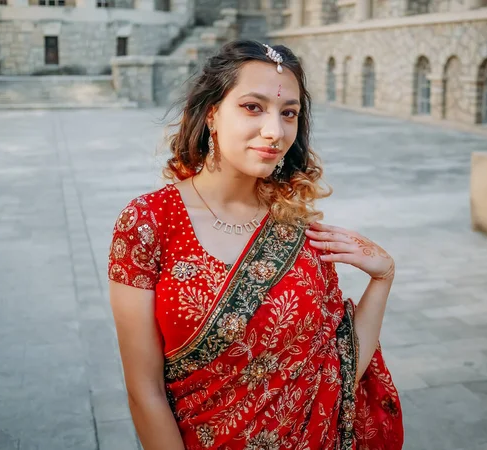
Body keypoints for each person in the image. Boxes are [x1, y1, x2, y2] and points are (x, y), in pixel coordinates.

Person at [108, 39, 404, 450]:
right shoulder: (149, 223)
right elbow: (145, 393)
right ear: (212, 113)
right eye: (253, 107)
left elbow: (339, 366)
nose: (274, 131)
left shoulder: (295, 225)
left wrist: (383, 278)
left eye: (289, 114)